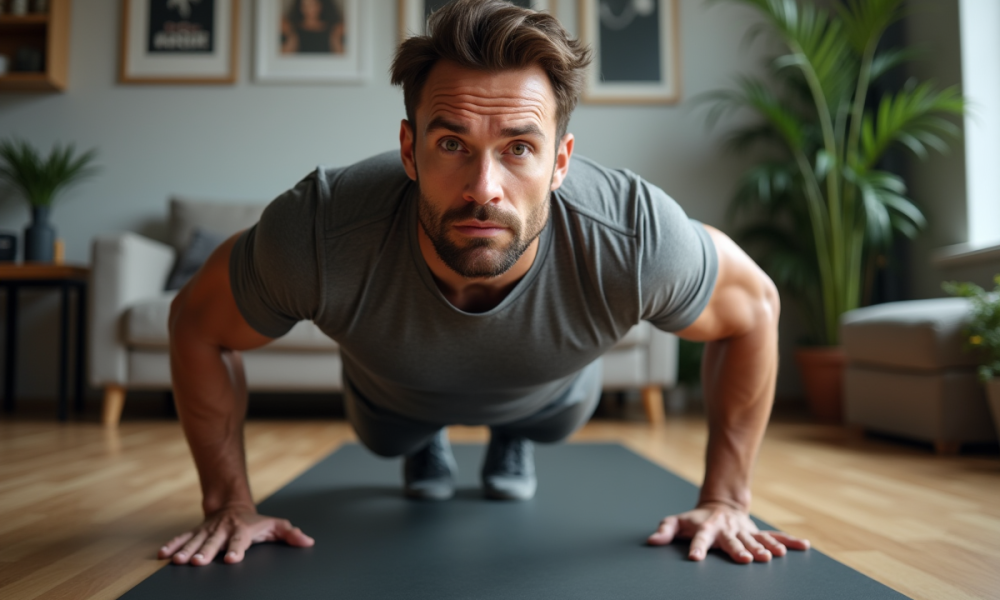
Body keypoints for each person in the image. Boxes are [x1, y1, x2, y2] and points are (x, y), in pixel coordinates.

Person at [159, 0, 810, 569]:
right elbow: (196, 322)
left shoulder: (635, 235)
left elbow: (754, 308)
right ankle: (430, 440)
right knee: (393, 440)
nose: (483, 188)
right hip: (392, 406)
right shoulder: (319, 230)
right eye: (452, 145)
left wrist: (727, 501)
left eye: (519, 147)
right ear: (409, 151)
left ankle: (511, 437)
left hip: (549, 401)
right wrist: (228, 505)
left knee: (546, 422)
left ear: (560, 161)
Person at [280, 0, 345, 54]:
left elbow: (342, 57)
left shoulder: (334, 28)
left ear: (322, 5)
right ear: (299, 6)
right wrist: (290, 35)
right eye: (305, 5)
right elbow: (283, 57)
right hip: (299, 67)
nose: (309, 9)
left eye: (314, 4)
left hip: (326, 67)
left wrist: (336, 37)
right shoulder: (292, 28)